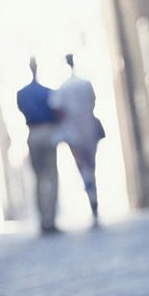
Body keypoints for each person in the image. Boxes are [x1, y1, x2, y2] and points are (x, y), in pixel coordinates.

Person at [50, 53, 105, 227]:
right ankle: (93, 197)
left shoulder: (63, 88)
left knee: (83, 167)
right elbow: (93, 101)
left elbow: (56, 108)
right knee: (92, 165)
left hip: (74, 133)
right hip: (89, 129)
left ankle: (91, 196)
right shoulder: (85, 84)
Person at [17, 56, 60, 234]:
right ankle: (50, 219)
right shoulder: (48, 92)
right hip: (47, 132)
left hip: (33, 134)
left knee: (39, 178)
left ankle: (43, 220)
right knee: (51, 176)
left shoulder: (22, 94)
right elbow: (56, 111)